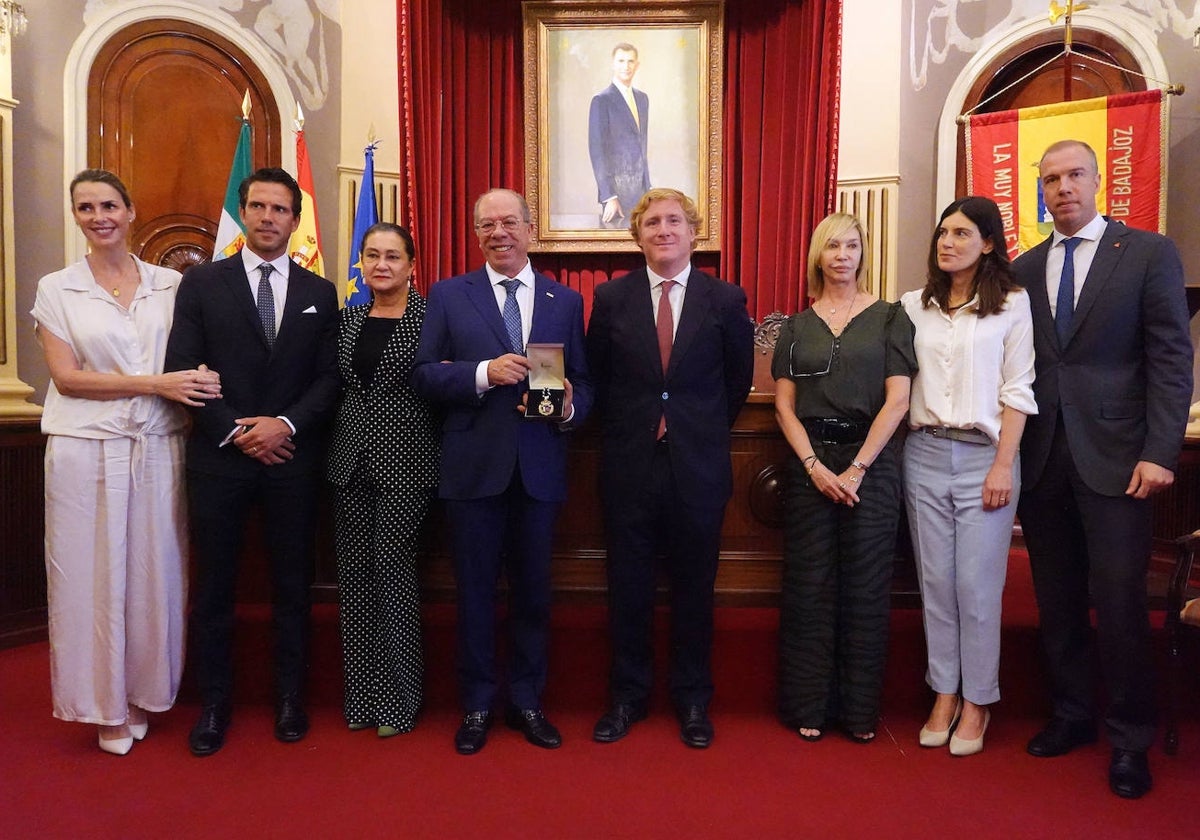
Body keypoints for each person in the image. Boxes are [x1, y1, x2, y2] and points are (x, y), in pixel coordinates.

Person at [1013, 139, 1192, 799]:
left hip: (1121, 459)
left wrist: (1159, 450)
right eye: (1051, 179)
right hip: (1043, 459)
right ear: (1041, 190)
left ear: (1097, 181)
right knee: (1056, 601)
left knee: (1118, 603)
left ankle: (1129, 738)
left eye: (1074, 175)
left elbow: (1172, 359)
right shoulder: (1025, 269)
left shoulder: (1146, 253)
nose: (1063, 187)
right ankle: (1071, 715)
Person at [31, 169, 222, 755]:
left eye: (109, 204)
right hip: (85, 450)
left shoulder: (172, 283)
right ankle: (103, 708)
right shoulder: (57, 288)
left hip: (159, 446)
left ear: (131, 210)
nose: (99, 216)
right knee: (88, 581)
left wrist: (197, 382)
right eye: (86, 207)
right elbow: (67, 378)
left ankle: (141, 695)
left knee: (154, 576)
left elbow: (196, 361)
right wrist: (156, 383)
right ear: (76, 217)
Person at [165, 167, 340, 757]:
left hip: (292, 459)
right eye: (259, 207)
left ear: (295, 220)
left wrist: (282, 425)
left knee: (293, 586)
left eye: (280, 209)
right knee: (215, 588)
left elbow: (329, 379)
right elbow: (184, 367)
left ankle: (290, 699)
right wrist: (238, 431)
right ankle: (215, 704)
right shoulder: (202, 283)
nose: (269, 218)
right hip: (221, 460)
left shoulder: (320, 292)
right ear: (243, 213)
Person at [411, 188, 592, 755]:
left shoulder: (565, 300)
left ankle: (528, 701)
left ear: (530, 229)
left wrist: (566, 404)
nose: (499, 232)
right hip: (473, 471)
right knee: (474, 595)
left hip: (539, 470)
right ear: (476, 235)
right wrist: (485, 372)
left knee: (534, 594)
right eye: (486, 224)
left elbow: (585, 384)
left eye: (509, 222)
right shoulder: (447, 295)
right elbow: (422, 375)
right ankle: (477, 705)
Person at [587, 187, 754, 749]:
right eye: (652, 221)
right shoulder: (611, 299)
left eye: (674, 220)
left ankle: (691, 701)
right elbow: (601, 380)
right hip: (630, 468)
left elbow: (735, 384)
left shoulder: (725, 299)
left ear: (692, 232)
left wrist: (692, 430)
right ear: (637, 235)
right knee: (628, 589)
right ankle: (627, 698)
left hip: (697, 469)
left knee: (693, 591)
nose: (663, 229)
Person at [771, 212, 916, 743]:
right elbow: (784, 408)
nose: (841, 256)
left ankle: (857, 715)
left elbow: (898, 399)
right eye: (832, 246)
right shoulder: (795, 325)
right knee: (809, 588)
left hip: (870, 466)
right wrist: (814, 466)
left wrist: (856, 468)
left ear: (863, 253)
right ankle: (808, 706)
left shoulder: (889, 318)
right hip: (809, 463)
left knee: (865, 588)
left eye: (851, 246)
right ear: (818, 255)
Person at [900, 196, 1036, 756]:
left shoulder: (1012, 304)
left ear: (988, 242)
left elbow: (1018, 388)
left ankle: (979, 701)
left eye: (961, 233)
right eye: (942, 234)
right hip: (924, 453)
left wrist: (1004, 464)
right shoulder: (914, 305)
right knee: (935, 584)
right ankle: (944, 693)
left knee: (977, 587)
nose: (947, 243)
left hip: (987, 457)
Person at [327, 223, 440, 737]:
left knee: (392, 576)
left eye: (393, 256)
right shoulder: (346, 320)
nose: (381, 265)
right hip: (350, 464)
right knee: (353, 582)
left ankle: (401, 699)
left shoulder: (432, 319)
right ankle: (364, 696)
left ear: (412, 265)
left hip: (408, 464)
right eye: (372, 255)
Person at [588, 43, 650, 229]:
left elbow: (641, 148)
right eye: (621, 61)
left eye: (630, 61)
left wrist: (648, 188)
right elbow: (597, 150)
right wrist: (609, 196)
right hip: (616, 195)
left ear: (637, 65)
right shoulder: (602, 101)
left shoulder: (642, 99)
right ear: (613, 64)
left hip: (641, 192)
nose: (626, 66)